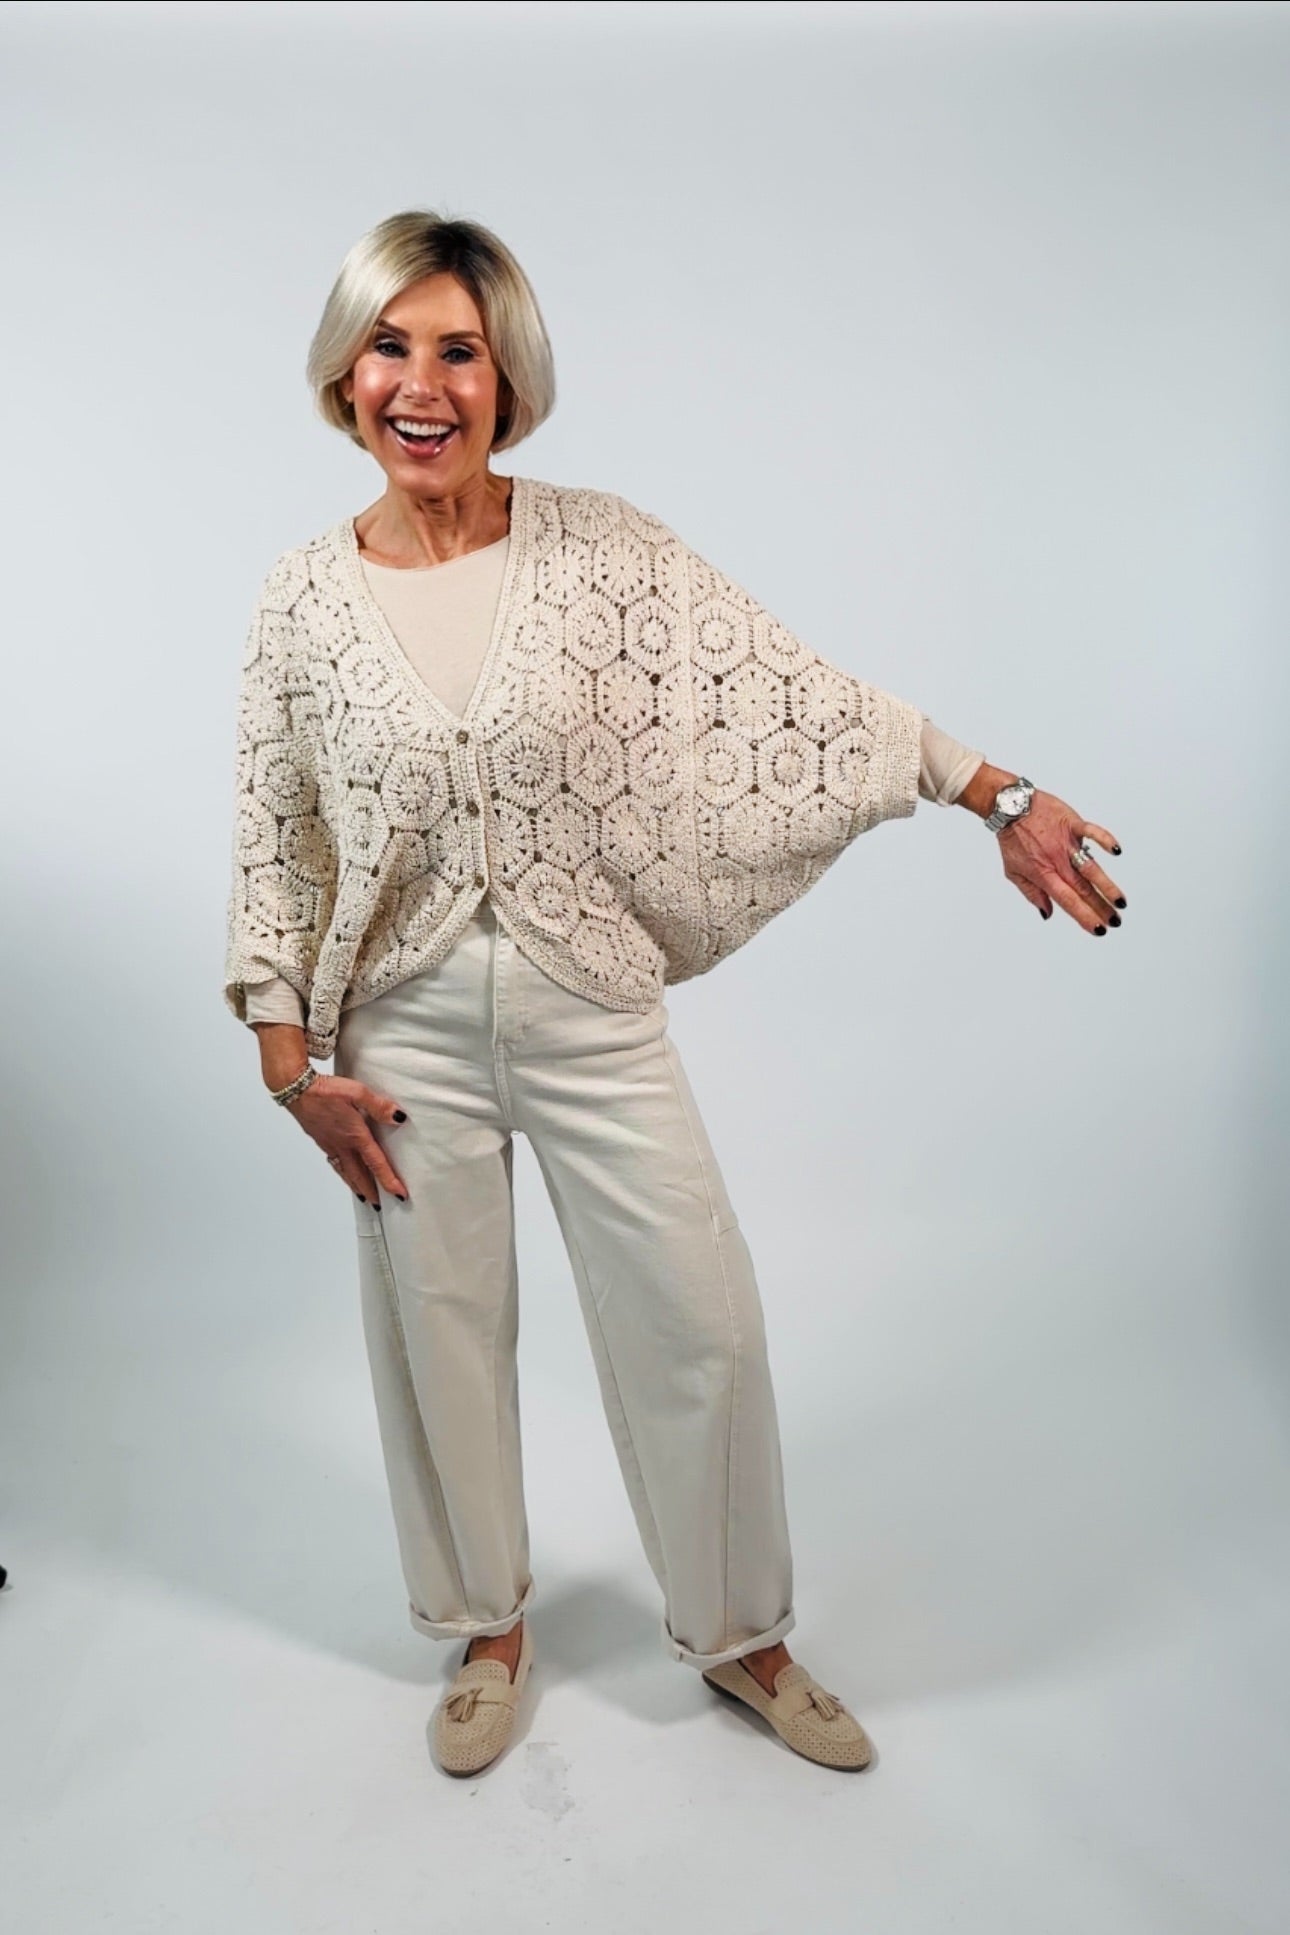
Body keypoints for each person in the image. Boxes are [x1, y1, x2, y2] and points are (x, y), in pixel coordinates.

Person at [222, 209, 1127, 1780]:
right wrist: (289, 1065)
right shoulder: (301, 601)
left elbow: (798, 696)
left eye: (459, 351)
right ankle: (485, 1629)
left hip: (586, 997)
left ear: (508, 378)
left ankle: (740, 1638)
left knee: (697, 1319)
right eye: (389, 347)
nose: (422, 384)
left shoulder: (602, 552)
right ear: (342, 374)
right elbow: (276, 843)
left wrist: (993, 792)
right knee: (438, 1333)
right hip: (401, 1027)